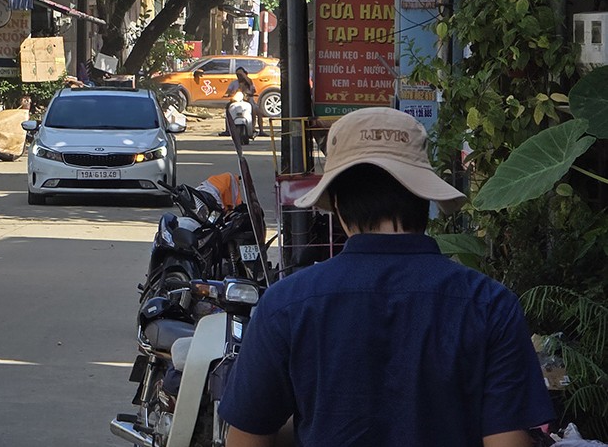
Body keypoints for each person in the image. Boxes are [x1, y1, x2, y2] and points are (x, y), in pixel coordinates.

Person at [219, 108, 553, 447]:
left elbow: (246, 438)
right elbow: (507, 442)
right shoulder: (489, 305)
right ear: (424, 197)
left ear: (337, 204)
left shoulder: (286, 305)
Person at [225, 67, 262, 135]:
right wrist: (231, 93)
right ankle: (227, 129)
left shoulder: (249, 82)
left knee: (255, 110)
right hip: (236, 101)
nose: (239, 76)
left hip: (248, 101)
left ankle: (256, 129)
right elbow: (228, 92)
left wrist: (249, 93)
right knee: (228, 109)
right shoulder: (234, 83)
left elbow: (253, 90)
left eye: (241, 75)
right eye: (238, 75)